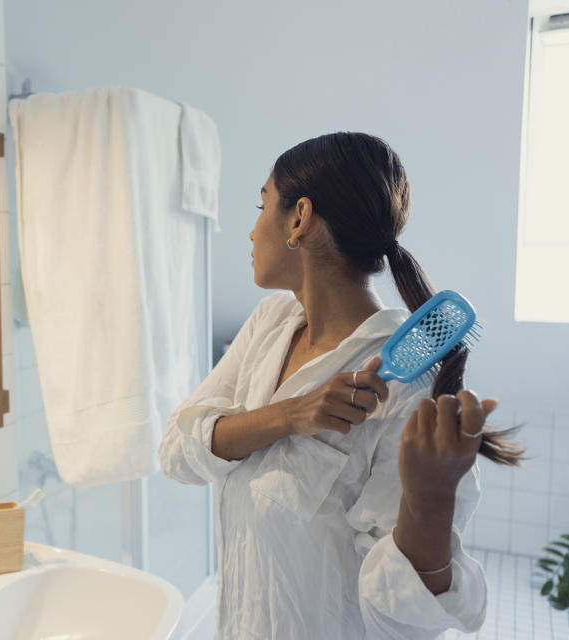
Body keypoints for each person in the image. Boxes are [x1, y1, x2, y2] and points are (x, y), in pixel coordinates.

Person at [158, 132, 524, 639]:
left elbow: (400, 621)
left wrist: (430, 500)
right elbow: (177, 450)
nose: (250, 232)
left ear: (299, 218)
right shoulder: (271, 322)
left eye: (261, 206)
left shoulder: (404, 393)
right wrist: (290, 415)